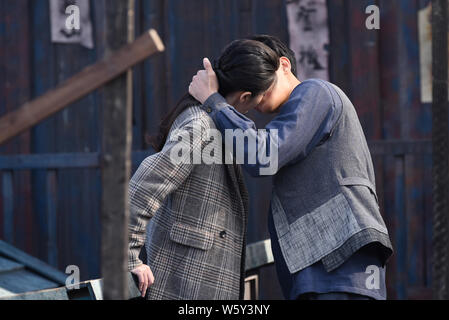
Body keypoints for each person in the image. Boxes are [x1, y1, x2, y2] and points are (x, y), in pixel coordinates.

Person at [189, 35, 394, 300]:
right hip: (323, 270)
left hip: (341, 267)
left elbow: (263, 157)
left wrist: (214, 101)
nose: (259, 98)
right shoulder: (294, 117)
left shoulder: (317, 92)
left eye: (264, 83)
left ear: (284, 65)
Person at [127, 39, 282, 299]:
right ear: (245, 97)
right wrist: (130, 258)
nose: (260, 104)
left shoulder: (211, 121)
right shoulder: (202, 127)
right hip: (186, 282)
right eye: (260, 96)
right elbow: (144, 184)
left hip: (199, 278)